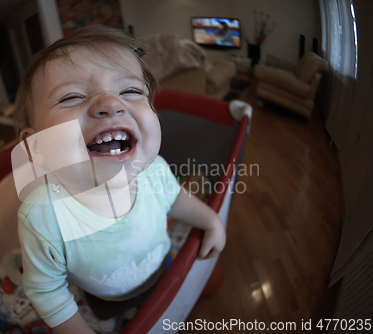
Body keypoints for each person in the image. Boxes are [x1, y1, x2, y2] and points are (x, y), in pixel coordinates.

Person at [13, 25, 226, 334]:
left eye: (130, 91)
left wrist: (211, 221)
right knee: (107, 319)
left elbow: (177, 199)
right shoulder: (43, 217)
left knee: (165, 307)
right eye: (71, 97)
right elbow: (47, 290)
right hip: (102, 296)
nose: (111, 104)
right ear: (38, 149)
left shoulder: (153, 172)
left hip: (162, 268)